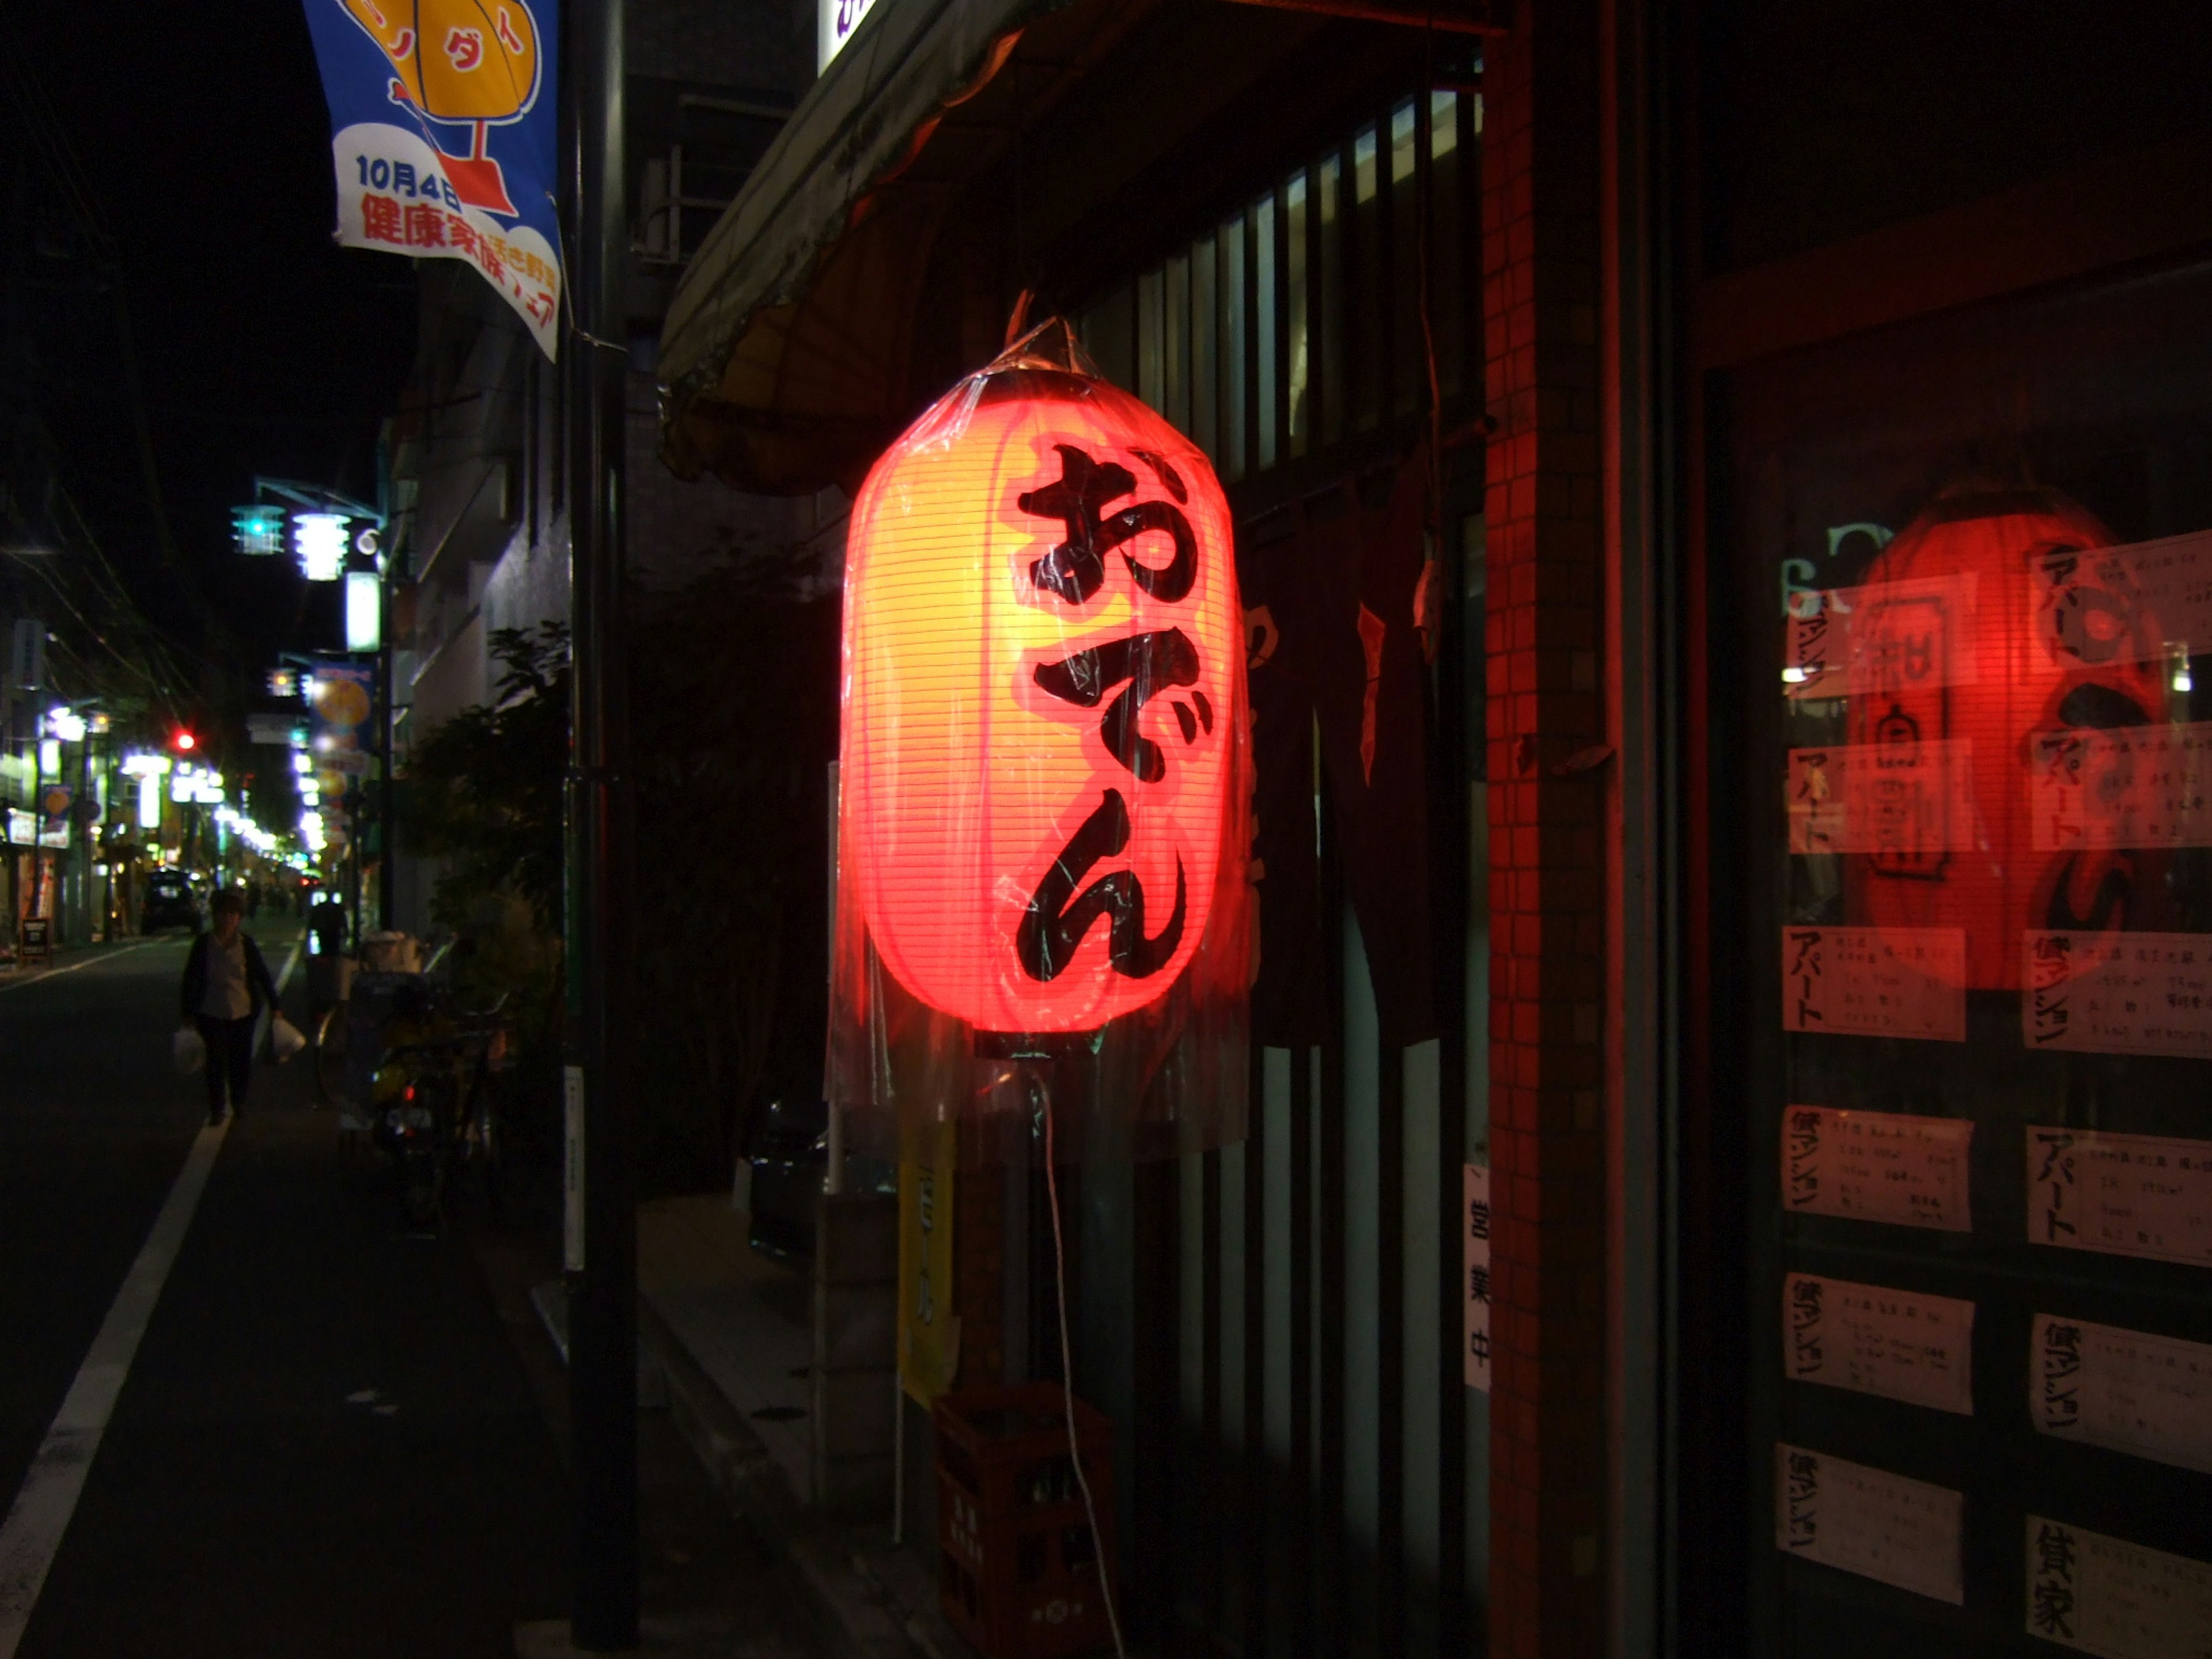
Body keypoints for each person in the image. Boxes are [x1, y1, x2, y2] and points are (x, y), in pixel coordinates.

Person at [180, 888, 280, 1126]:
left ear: (239, 918)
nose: (228, 919)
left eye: (233, 915)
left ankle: (239, 1102)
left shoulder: (246, 944)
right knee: (215, 1062)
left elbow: (261, 975)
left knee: (240, 1061)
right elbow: (191, 977)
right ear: (215, 916)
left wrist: (274, 1003)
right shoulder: (204, 944)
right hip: (210, 1011)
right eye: (224, 914)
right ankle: (217, 1108)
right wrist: (187, 1011)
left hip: (242, 1011)